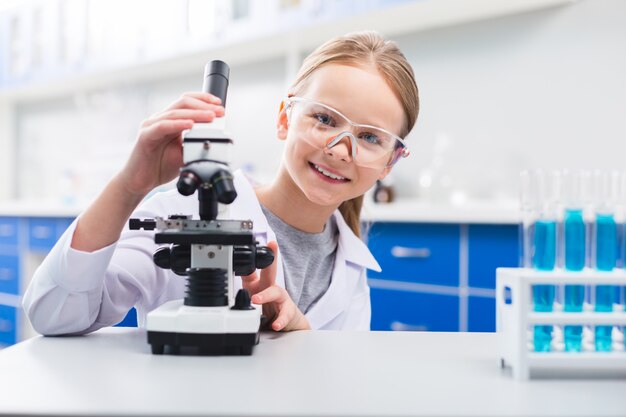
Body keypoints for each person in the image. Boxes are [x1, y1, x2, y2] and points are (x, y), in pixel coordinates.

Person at [23, 30, 419, 334]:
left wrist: (302, 337)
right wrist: (130, 184)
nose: (340, 149)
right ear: (285, 118)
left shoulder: (349, 263)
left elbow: (340, 391)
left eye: (369, 138)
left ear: (389, 162)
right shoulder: (182, 212)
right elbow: (54, 314)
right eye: (325, 119)